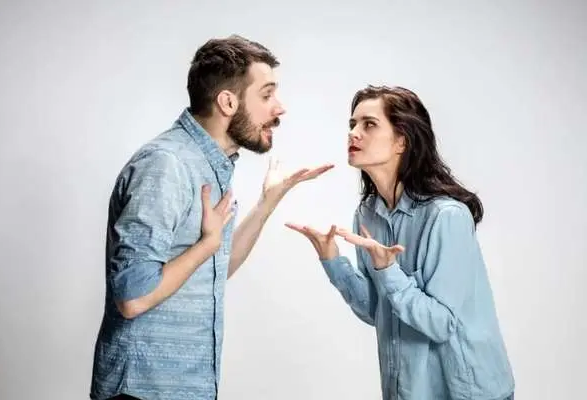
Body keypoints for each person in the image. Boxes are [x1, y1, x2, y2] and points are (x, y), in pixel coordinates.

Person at [90, 35, 333, 400]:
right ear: (228, 102)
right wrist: (206, 245)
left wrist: (266, 203)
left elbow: (214, 266)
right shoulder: (166, 165)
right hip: (144, 390)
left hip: (186, 388)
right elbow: (133, 297)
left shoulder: (209, 165)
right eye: (266, 95)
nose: (279, 108)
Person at [286, 85, 514, 400]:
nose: (353, 133)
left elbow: (441, 324)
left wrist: (388, 270)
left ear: (401, 141)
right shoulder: (367, 214)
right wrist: (333, 261)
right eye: (352, 124)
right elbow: (378, 311)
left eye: (369, 124)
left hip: (465, 392)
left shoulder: (446, 216)